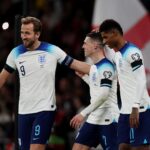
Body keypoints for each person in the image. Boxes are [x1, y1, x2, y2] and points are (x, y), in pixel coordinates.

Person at [0, 16, 91, 150]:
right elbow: (2, 77)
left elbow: (75, 64)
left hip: (44, 110)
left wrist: (102, 69)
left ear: (37, 34)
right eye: (22, 32)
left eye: (27, 33)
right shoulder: (15, 53)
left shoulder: (51, 50)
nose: (23, 36)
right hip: (23, 112)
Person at [99, 19, 150, 150]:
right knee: (123, 147)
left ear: (114, 33)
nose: (104, 41)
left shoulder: (133, 52)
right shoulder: (118, 55)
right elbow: (108, 53)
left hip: (140, 109)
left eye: (105, 37)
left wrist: (135, 107)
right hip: (125, 111)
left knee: (140, 148)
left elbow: (141, 79)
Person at [70, 31, 119, 150]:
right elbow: (97, 87)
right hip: (95, 118)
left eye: (85, 43)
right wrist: (84, 77)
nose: (83, 46)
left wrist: (82, 113)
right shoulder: (95, 67)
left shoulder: (106, 67)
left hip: (108, 118)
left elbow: (103, 95)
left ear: (95, 46)